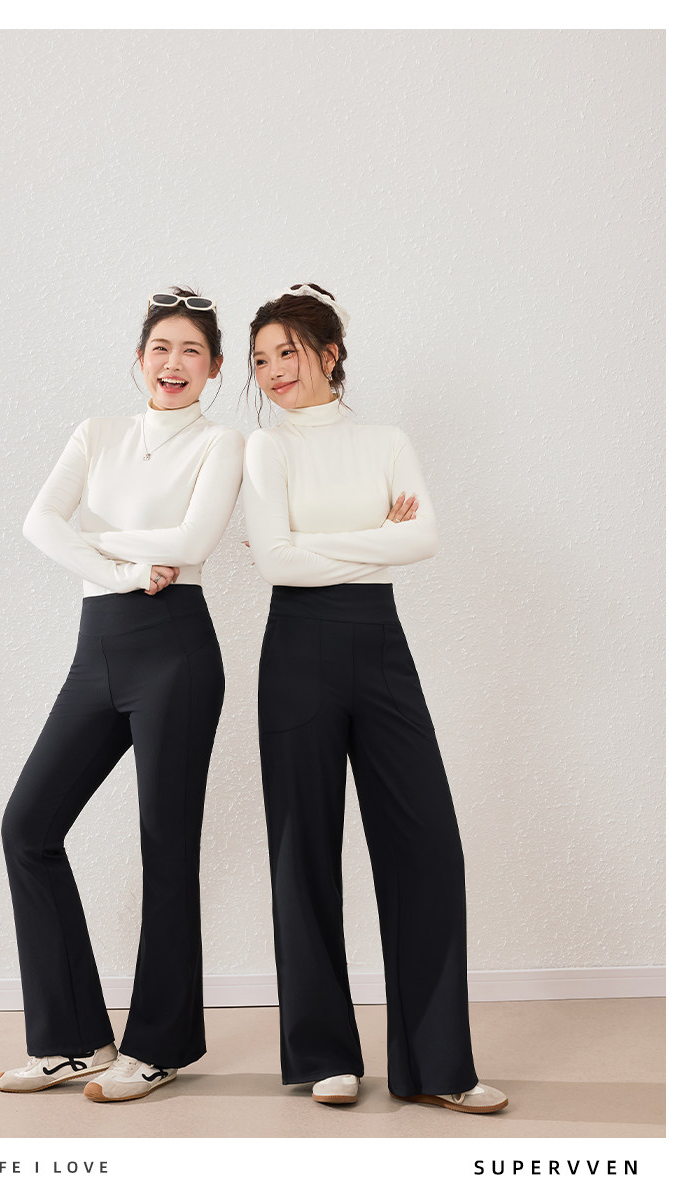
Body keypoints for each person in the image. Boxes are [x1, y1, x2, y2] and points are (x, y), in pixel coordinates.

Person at [241, 283, 507, 1113]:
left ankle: (439, 1066)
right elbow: (275, 564)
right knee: (303, 853)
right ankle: (325, 1055)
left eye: (287, 352)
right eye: (260, 360)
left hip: (381, 646)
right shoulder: (265, 449)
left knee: (428, 849)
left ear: (329, 353)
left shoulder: (387, 440)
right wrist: (375, 539)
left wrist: (315, 542)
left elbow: (422, 539)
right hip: (296, 653)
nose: (274, 371)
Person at [0, 289, 243, 1102]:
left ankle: (160, 1046)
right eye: (160, 348)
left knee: (166, 848)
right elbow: (37, 523)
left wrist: (95, 542)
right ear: (139, 359)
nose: (174, 364)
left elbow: (196, 541)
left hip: (177, 654)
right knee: (28, 828)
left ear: (214, 368)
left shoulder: (220, 443)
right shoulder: (96, 434)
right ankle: (73, 1040)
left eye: (192, 351)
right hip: (97, 650)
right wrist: (127, 569)